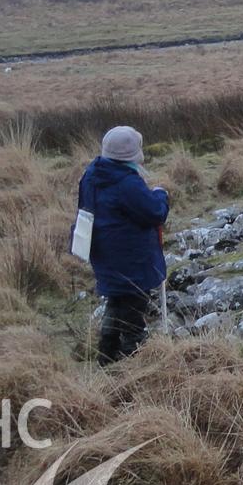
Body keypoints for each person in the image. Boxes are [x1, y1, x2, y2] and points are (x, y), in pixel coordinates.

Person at [78, 125, 169, 364]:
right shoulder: (127, 183)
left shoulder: (91, 175)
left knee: (117, 301)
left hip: (104, 255)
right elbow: (154, 213)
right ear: (132, 153)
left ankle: (106, 357)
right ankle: (132, 363)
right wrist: (161, 194)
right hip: (131, 259)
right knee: (133, 308)